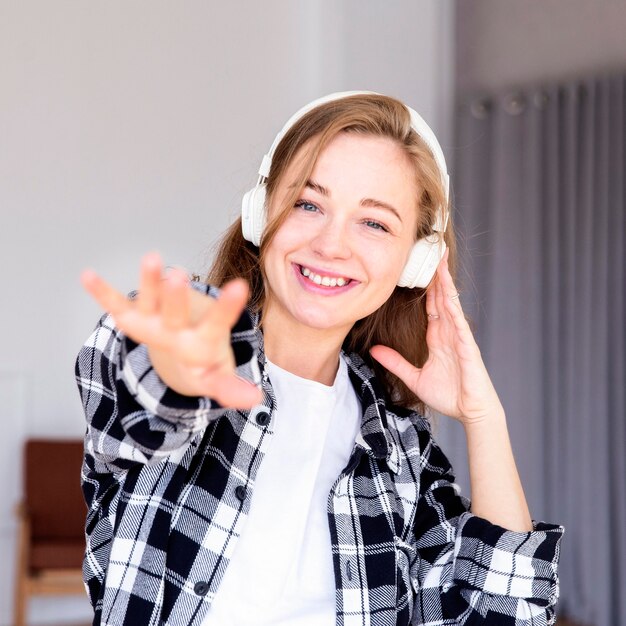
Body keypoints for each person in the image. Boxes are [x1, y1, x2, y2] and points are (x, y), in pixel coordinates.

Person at [76, 91, 563, 626]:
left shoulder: (400, 450)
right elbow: (144, 379)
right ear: (262, 216)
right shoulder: (190, 336)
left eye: (374, 223)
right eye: (308, 204)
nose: (332, 244)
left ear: (417, 261)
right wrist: (184, 351)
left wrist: (483, 418)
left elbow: (503, 614)